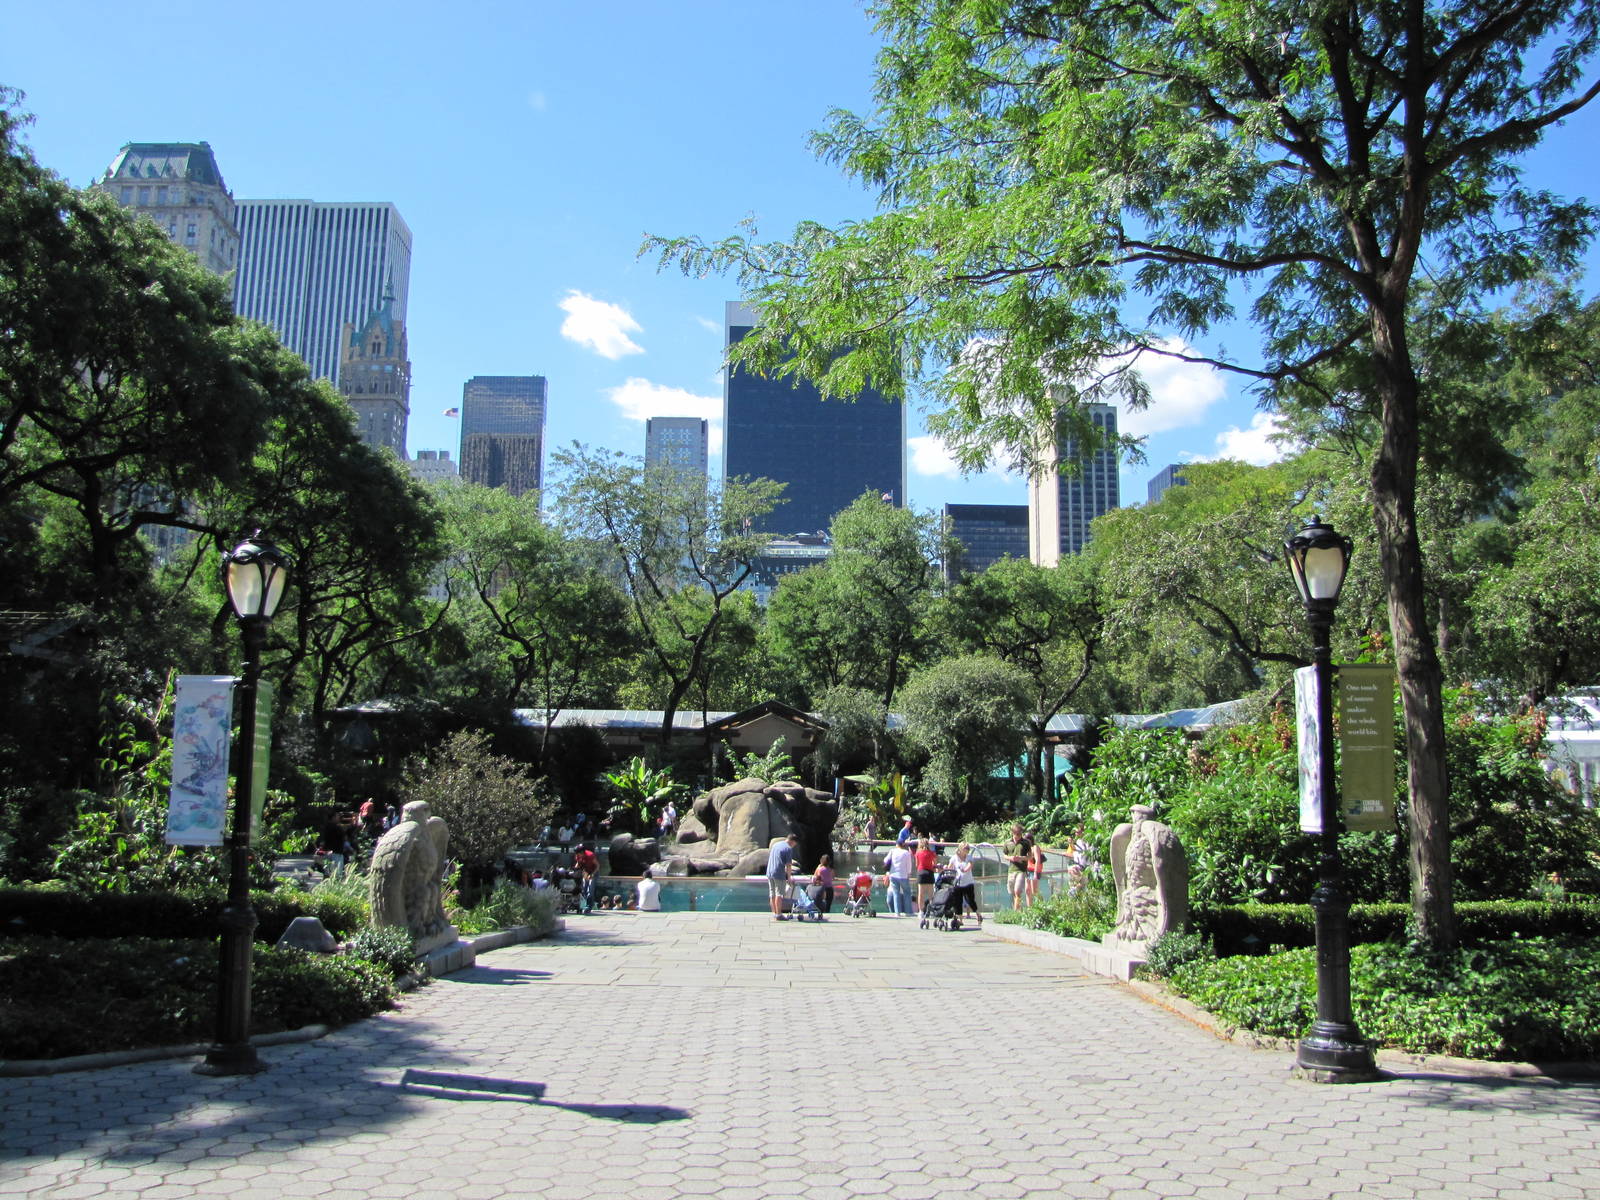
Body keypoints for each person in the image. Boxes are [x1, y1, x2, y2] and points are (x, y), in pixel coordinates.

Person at [947, 841, 981, 925]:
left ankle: (978, 914)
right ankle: (960, 920)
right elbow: (949, 868)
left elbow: (970, 866)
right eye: (966, 848)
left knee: (970, 901)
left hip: (968, 882)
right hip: (958, 883)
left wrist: (965, 870)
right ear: (961, 849)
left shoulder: (969, 857)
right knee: (958, 902)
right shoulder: (954, 858)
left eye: (968, 849)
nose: (967, 850)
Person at [767, 834, 799, 921]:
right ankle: (779, 915)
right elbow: (788, 865)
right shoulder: (788, 848)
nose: (793, 846)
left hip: (769, 872)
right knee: (779, 894)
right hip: (778, 873)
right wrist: (789, 877)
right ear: (792, 842)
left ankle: (774, 913)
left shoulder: (776, 845)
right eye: (794, 844)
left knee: (772, 893)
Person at [1004, 823, 1034, 911]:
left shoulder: (1026, 842)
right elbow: (1004, 855)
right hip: (1011, 869)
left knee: (1018, 891)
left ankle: (1015, 911)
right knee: (1013, 892)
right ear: (1012, 833)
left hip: (1021, 870)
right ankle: (1019, 910)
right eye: (1016, 834)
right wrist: (1011, 858)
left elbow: (1030, 856)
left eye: (1020, 834)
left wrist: (1021, 858)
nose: (1018, 836)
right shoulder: (1007, 842)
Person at [882, 839, 915, 916]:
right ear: (903, 844)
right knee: (907, 893)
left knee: (896, 893)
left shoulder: (892, 851)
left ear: (896, 844)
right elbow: (909, 865)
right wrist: (908, 873)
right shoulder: (906, 853)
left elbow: (885, 860)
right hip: (903, 875)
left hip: (893, 875)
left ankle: (897, 912)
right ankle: (908, 912)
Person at [913, 837, 938, 914]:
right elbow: (935, 864)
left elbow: (917, 864)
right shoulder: (932, 853)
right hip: (929, 873)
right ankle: (932, 911)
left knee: (921, 893)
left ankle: (921, 911)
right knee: (931, 894)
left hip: (921, 872)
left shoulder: (917, 853)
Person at [573, 843, 600, 913]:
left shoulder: (590, 855)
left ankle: (589, 906)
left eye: (578, 853)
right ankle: (583, 905)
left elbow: (597, 866)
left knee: (590, 890)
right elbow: (578, 864)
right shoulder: (578, 856)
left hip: (594, 872)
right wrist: (575, 870)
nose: (577, 855)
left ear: (582, 852)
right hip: (586, 872)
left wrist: (592, 874)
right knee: (584, 889)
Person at [808, 853, 836, 918]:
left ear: (821, 861)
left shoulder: (819, 869)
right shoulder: (831, 870)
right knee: (828, 905)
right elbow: (833, 878)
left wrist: (818, 866)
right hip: (829, 889)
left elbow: (815, 876)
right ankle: (827, 914)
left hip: (821, 889)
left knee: (821, 904)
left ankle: (821, 915)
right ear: (829, 862)